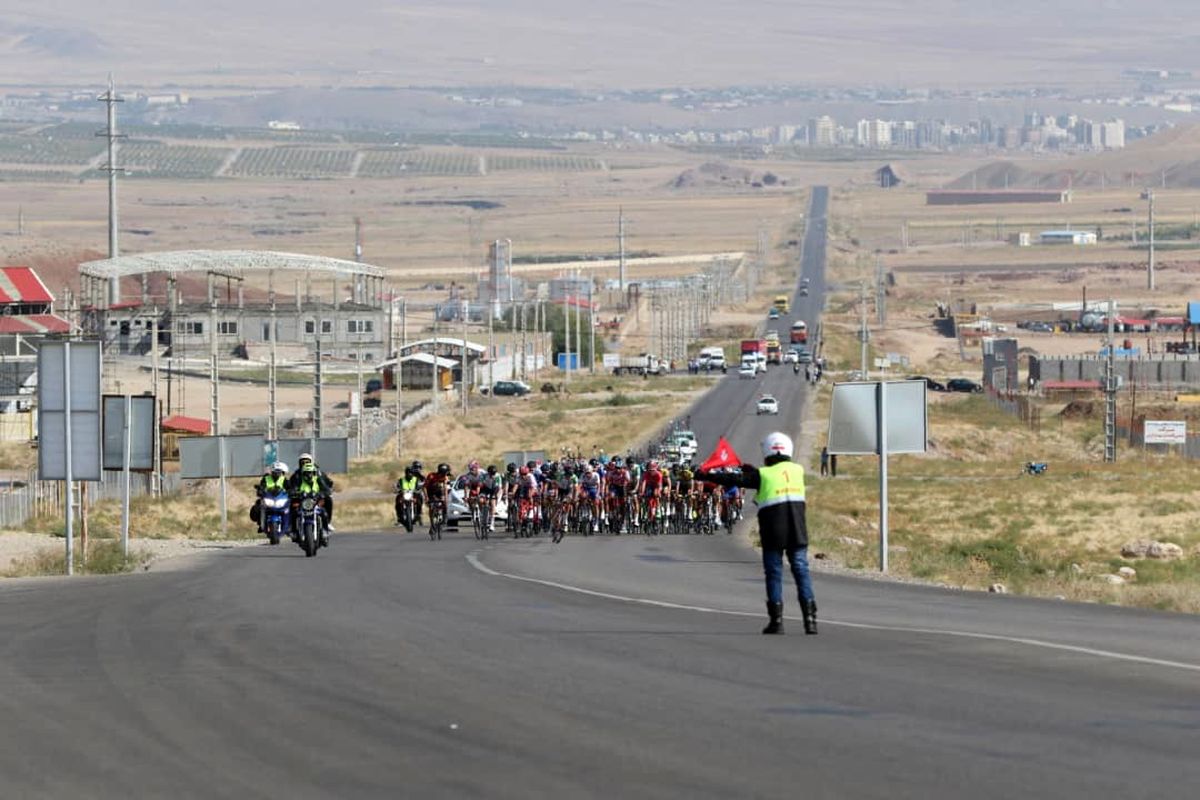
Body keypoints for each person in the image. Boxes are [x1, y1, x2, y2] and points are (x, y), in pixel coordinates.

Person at [697, 432, 817, 635]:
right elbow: (775, 475)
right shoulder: (797, 470)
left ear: (767, 452)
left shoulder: (763, 475)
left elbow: (736, 479)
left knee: (774, 573)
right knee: (801, 571)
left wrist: (707, 475)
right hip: (798, 529)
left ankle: (776, 621)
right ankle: (810, 620)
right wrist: (751, 470)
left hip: (773, 531)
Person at [288, 453, 335, 532]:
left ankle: (327, 523)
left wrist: (324, 492)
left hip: (316, 497)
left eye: (307, 462)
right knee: (291, 505)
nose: (305, 464)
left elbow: (325, 485)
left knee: (328, 500)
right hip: (302, 498)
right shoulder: (296, 475)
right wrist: (294, 492)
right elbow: (292, 486)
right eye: (302, 462)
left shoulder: (318, 473)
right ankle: (292, 526)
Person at [251, 461, 289, 532]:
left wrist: (291, 491)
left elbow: (289, 487)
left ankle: (290, 525)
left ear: (282, 472)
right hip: (269, 498)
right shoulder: (266, 478)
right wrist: (260, 490)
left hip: (280, 499)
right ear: (271, 471)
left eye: (279, 471)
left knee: (291, 507)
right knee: (258, 506)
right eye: (275, 471)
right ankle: (261, 523)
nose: (277, 473)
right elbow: (262, 486)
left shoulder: (284, 480)